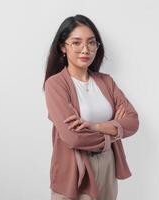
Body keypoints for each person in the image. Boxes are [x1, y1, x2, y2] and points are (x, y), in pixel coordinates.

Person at [42, 14, 140, 200]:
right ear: (63, 47)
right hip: (74, 168)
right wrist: (114, 128)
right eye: (76, 43)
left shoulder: (106, 82)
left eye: (91, 43)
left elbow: (133, 121)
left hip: (108, 163)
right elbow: (73, 138)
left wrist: (95, 126)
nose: (85, 49)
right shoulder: (55, 84)